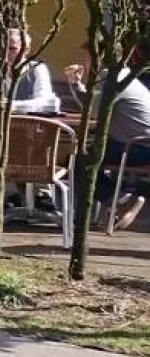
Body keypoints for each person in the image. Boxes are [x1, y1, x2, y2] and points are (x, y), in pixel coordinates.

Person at [65, 48, 150, 231]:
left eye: (87, 58)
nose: (84, 63)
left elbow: (95, 112)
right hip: (137, 142)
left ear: (100, 58)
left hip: (138, 146)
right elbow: (96, 107)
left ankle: (122, 200)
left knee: (81, 160)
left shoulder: (114, 79)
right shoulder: (124, 75)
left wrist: (75, 85)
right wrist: (77, 85)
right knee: (86, 155)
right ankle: (119, 200)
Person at [0, 28, 64, 114]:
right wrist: (27, 106)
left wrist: (10, 106)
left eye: (12, 49)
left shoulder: (37, 69)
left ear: (26, 50)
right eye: (3, 48)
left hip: (31, 124)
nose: (6, 53)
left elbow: (44, 103)